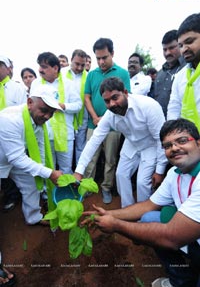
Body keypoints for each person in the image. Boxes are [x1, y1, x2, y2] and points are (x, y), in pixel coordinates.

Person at [82, 118, 200, 287]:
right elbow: (148, 205)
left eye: (182, 141)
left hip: (183, 237)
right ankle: (181, 280)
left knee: (163, 233)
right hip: (192, 238)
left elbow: (172, 237)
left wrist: (116, 225)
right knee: (149, 217)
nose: (174, 148)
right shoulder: (176, 173)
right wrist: (108, 213)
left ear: (198, 143)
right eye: (167, 146)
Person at [74, 77, 167, 208]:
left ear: (125, 92)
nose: (111, 104)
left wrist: (160, 171)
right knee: (121, 175)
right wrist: (79, 171)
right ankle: (127, 210)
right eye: (107, 101)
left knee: (142, 183)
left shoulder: (148, 106)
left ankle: (143, 216)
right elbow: (94, 141)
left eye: (115, 98)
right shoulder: (109, 116)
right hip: (131, 144)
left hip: (151, 145)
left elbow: (161, 139)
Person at [0, 85, 63, 225]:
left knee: (31, 184)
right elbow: (16, 158)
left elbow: (40, 147)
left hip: (14, 157)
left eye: (51, 113)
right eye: (44, 110)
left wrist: (41, 170)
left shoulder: (38, 121)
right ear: (30, 103)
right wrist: (49, 173)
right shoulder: (10, 119)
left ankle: (34, 218)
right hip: (7, 158)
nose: (47, 116)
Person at [83, 38, 131, 204]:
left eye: (104, 57)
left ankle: (106, 188)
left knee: (110, 159)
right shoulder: (91, 74)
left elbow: (126, 97)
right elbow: (87, 97)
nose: (101, 62)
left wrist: (106, 118)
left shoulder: (123, 73)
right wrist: (95, 118)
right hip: (93, 124)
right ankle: (87, 187)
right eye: (98, 58)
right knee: (90, 157)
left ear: (112, 53)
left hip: (114, 126)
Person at [30, 52, 82, 174]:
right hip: (43, 134)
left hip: (65, 135)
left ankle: (66, 193)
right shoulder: (36, 84)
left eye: (44, 67)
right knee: (48, 169)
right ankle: (49, 193)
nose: (40, 70)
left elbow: (78, 105)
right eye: (39, 66)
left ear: (55, 68)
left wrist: (63, 106)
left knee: (66, 170)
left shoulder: (69, 84)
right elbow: (31, 105)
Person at [0, 55, 27, 212]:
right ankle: (9, 195)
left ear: (8, 68)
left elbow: (24, 114)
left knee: (17, 167)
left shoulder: (18, 88)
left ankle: (16, 196)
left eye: (0, 65)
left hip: (14, 137)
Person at [167, 13, 200, 132]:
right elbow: (174, 107)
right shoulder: (180, 76)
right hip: (190, 142)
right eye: (180, 45)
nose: (184, 49)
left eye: (189, 42)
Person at [152, 30, 186, 118]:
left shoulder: (189, 68)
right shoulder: (160, 74)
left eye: (172, 48)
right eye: (165, 49)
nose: (167, 53)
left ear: (180, 45)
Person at [64, 49, 88, 165]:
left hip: (82, 118)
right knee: (65, 150)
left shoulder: (88, 76)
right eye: (77, 64)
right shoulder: (62, 74)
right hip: (65, 118)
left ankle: (78, 177)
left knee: (80, 149)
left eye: (82, 65)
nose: (79, 68)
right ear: (71, 60)